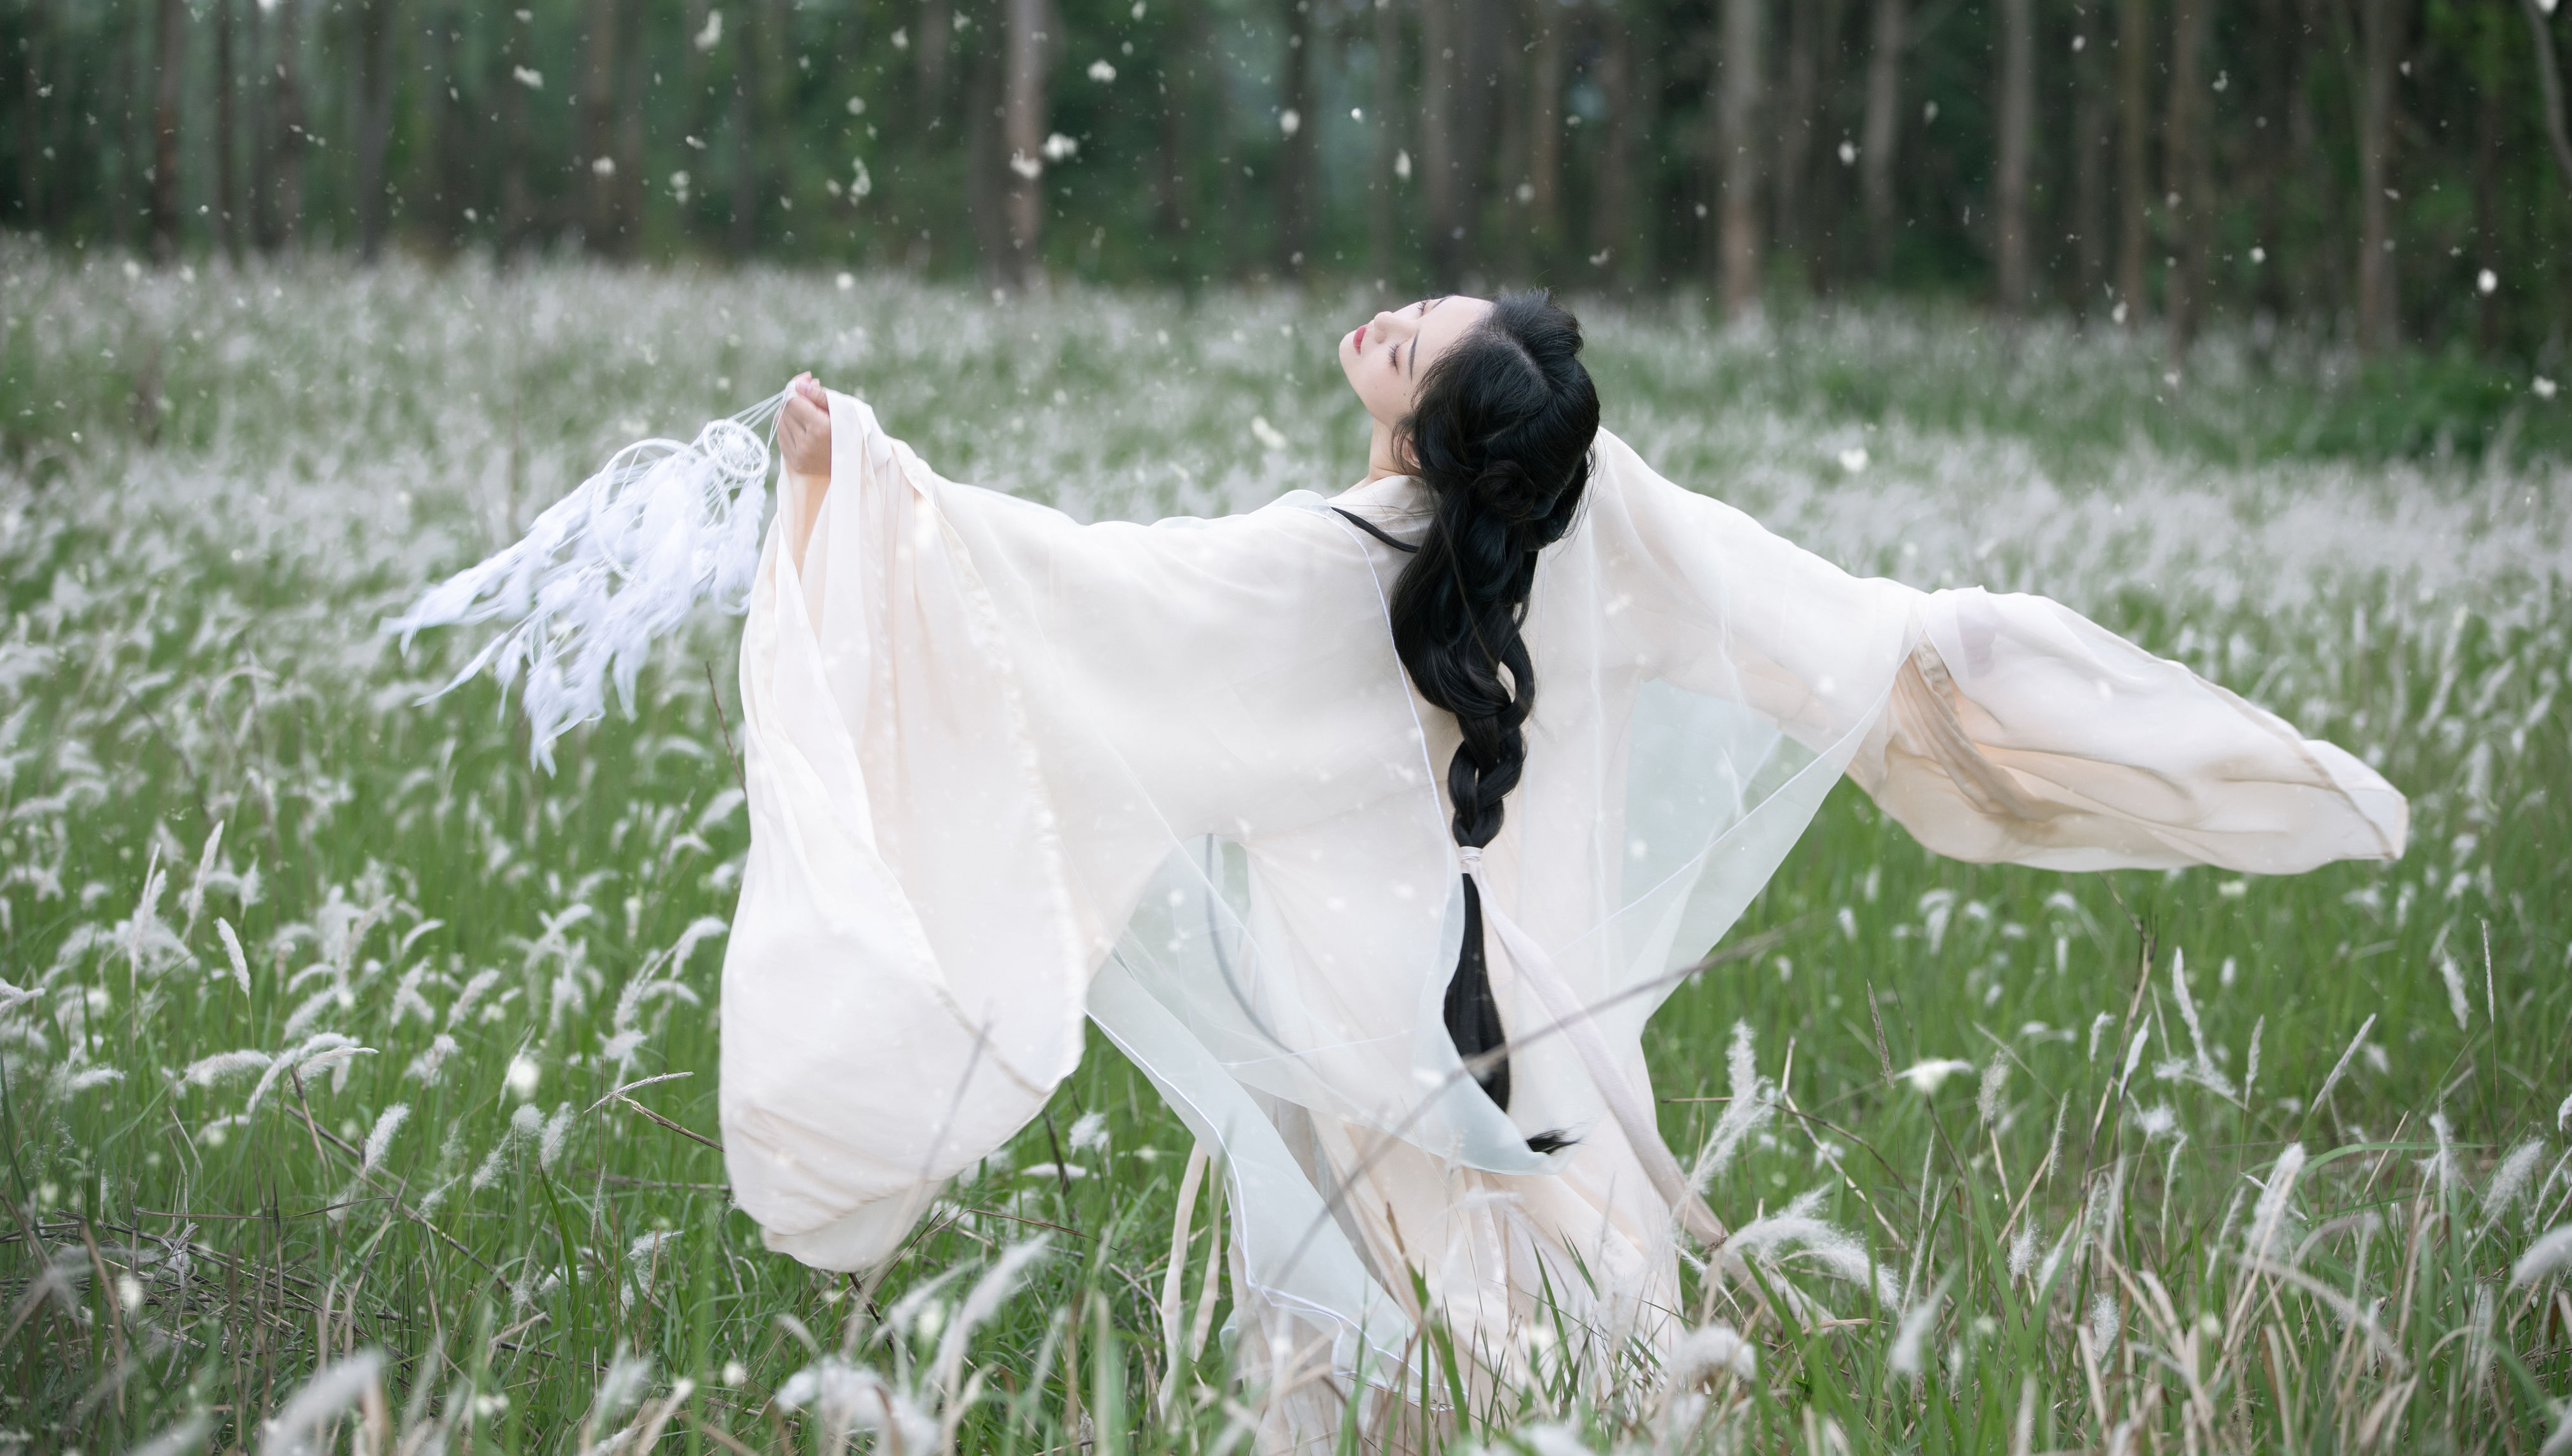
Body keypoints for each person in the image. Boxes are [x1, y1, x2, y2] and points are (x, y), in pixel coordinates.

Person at [728, 289, 2403, 1448]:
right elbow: (1861, 633)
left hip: (1393, 1106)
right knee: (1571, 1383)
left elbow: (1058, 601)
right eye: (1429, 312)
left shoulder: (1335, 572)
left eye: (1426, 351)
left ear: (1438, 434)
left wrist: (858, 490)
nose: (1394, 327)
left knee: (1433, 1385)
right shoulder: (1585, 522)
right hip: (1542, 1089)